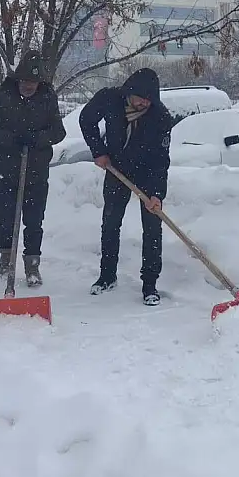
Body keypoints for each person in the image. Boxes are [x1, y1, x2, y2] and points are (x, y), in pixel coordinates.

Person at [79, 67, 174, 306]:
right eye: (140, 97)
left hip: (148, 173)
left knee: (152, 227)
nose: (144, 103)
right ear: (129, 92)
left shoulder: (160, 117)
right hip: (116, 168)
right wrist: (98, 151)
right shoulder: (110, 99)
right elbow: (86, 119)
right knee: (110, 222)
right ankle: (107, 276)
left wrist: (156, 194)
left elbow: (161, 160)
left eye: (149, 99)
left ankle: (150, 285)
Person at [0, 50, 66, 286]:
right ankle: (7, 258)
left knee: (34, 220)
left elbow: (59, 131)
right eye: (27, 81)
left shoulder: (47, 98)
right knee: (4, 219)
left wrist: (39, 138)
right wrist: (10, 138)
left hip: (36, 172)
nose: (30, 86)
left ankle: (32, 264)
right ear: (18, 79)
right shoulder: (2, 96)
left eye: (35, 82)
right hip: (5, 169)